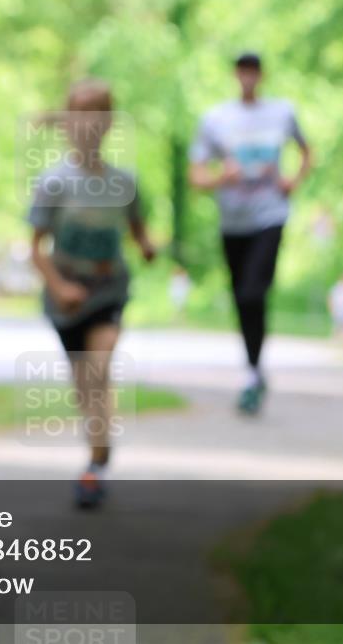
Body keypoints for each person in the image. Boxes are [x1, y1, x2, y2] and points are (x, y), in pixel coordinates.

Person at [27, 78, 156, 508]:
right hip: (67, 299)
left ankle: (95, 467)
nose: (89, 122)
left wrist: (147, 245)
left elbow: (138, 229)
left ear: (109, 122)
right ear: (69, 121)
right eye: (80, 113)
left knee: (99, 367)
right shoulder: (53, 183)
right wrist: (60, 286)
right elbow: (35, 250)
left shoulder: (124, 183)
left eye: (98, 112)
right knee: (86, 386)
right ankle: (97, 456)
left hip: (108, 292)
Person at [188, 52, 311, 415]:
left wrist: (293, 181)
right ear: (235, 74)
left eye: (253, 71)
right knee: (242, 299)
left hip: (270, 215)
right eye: (242, 71)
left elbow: (306, 152)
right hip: (233, 221)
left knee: (254, 291)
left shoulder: (282, 112)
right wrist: (218, 178)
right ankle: (254, 370)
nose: (248, 77)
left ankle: (253, 373)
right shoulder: (215, 118)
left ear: (261, 75)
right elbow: (196, 176)